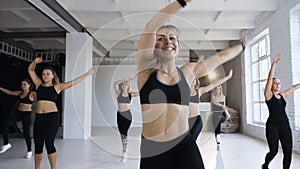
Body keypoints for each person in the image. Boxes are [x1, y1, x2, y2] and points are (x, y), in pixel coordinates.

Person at [137, 0, 248, 168]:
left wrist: (243, 45)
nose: (168, 41)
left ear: (178, 46)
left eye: (172, 38)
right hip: (153, 149)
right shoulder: (145, 71)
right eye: (161, 38)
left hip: (183, 146)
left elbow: (221, 57)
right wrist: (181, 2)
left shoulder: (188, 72)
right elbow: (151, 25)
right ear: (153, 46)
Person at [28, 57, 96, 169]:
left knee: (49, 143)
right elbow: (31, 70)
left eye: (48, 74)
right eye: (44, 74)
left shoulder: (57, 87)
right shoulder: (38, 84)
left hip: (52, 118)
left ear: (53, 75)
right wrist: (34, 62)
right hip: (39, 117)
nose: (45, 75)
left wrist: (87, 74)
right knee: (38, 145)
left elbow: (73, 82)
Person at [261, 54, 300, 169]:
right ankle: (265, 165)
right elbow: (269, 78)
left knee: (288, 152)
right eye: (275, 83)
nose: (278, 85)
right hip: (272, 126)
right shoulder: (268, 96)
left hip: (285, 126)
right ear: (271, 85)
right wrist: (274, 64)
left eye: (279, 83)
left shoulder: (282, 95)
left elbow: (294, 87)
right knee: (273, 151)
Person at [189, 68, 233, 141]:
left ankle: (217, 137)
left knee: (191, 142)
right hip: (186, 121)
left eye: (194, 80)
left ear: (196, 81)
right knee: (186, 143)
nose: (192, 81)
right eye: (191, 80)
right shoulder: (183, 91)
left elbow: (214, 84)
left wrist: (227, 77)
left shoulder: (199, 91)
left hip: (196, 120)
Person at [0, 79, 36, 158]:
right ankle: (6, 144)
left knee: (26, 134)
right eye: (22, 84)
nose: (23, 86)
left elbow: (41, 96)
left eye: (25, 84)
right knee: (5, 124)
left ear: (29, 85)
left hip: (26, 115)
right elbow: (9, 92)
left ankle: (29, 150)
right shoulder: (20, 93)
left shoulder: (32, 93)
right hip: (18, 113)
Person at [114, 77, 139, 163]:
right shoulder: (118, 93)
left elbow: (140, 93)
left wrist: (129, 82)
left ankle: (124, 152)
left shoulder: (130, 95)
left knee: (124, 133)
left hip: (127, 116)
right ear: (121, 87)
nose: (124, 86)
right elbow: (115, 83)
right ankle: (125, 148)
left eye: (126, 85)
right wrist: (125, 79)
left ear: (128, 86)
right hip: (119, 115)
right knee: (122, 134)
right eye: (123, 85)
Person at [211, 84, 231, 150]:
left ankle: (218, 141)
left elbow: (224, 106)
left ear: (221, 89)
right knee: (217, 124)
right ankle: (218, 142)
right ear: (215, 90)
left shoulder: (223, 96)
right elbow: (215, 102)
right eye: (216, 88)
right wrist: (222, 106)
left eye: (219, 88)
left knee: (218, 120)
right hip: (215, 114)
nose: (217, 90)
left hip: (222, 114)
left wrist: (227, 114)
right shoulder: (213, 96)